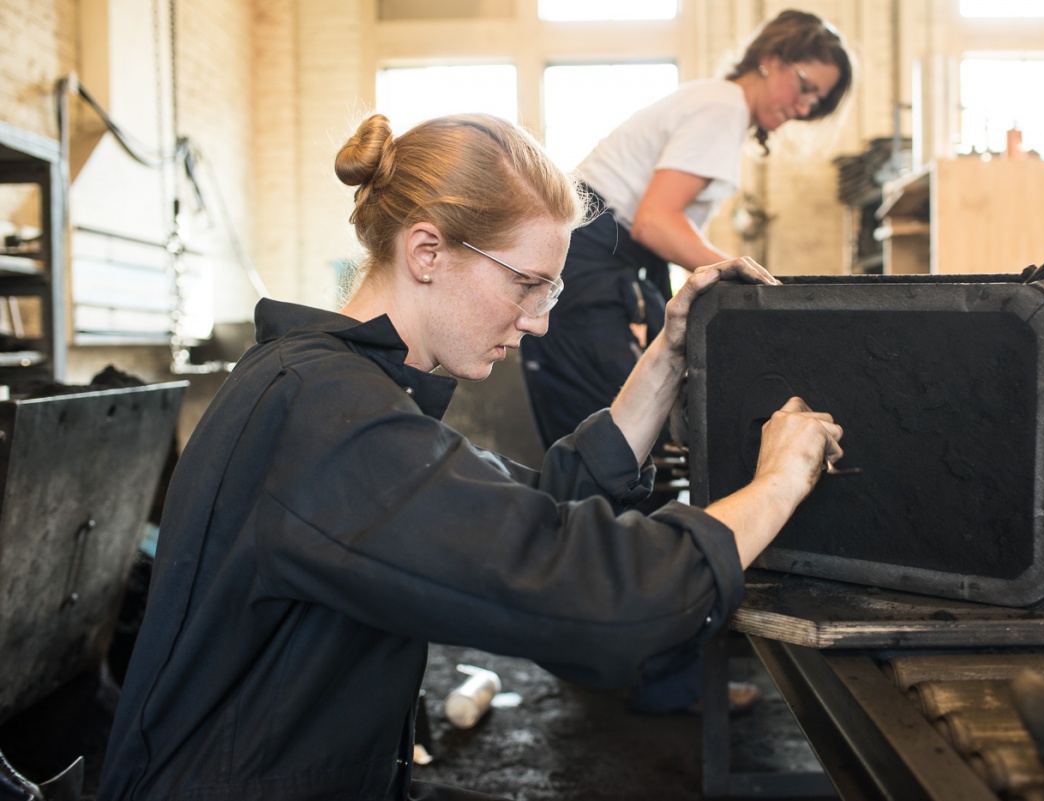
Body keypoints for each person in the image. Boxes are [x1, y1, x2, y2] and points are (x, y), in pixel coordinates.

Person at [96, 111, 843, 801]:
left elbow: (530, 513)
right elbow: (595, 598)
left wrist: (667, 357)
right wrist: (780, 480)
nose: (539, 322)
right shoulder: (327, 416)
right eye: (527, 285)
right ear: (427, 251)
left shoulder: (328, 385)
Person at [518, 8, 853, 715]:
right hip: (590, 275)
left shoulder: (713, 105)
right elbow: (655, 223)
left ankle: (615, 657)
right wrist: (745, 275)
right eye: (802, 84)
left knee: (610, 470)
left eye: (816, 101)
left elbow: (656, 227)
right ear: (769, 59)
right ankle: (649, 675)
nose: (803, 105)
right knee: (608, 476)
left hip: (604, 273)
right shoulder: (721, 105)